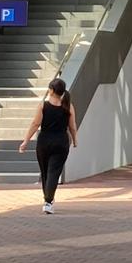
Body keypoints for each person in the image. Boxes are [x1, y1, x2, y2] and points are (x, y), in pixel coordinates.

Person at [18, 78, 78, 215]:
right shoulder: (68, 106)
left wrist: (25, 141)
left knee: (45, 172)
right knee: (54, 172)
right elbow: (72, 126)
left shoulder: (43, 106)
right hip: (61, 142)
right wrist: (75, 140)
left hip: (44, 142)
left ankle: (48, 200)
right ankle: (48, 200)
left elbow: (35, 124)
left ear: (51, 90)